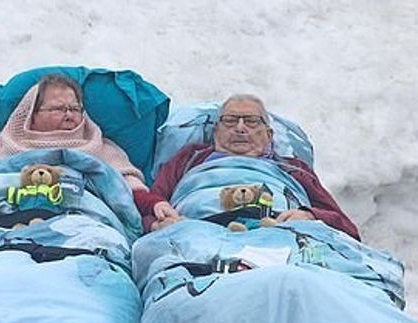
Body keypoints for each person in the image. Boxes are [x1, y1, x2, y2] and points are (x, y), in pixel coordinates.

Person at [136, 94, 359, 239]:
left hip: (279, 230)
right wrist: (160, 225)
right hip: (197, 232)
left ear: (269, 135)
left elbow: (344, 225)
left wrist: (308, 216)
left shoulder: (293, 169)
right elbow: (152, 206)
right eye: (230, 121)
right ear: (216, 131)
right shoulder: (189, 160)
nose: (240, 128)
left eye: (252, 121)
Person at [0, 74, 173, 217]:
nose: (69, 114)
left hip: (83, 224)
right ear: (32, 114)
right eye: (58, 108)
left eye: (75, 108)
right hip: (4, 224)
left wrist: (154, 204)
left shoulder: (100, 147)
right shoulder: (7, 148)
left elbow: (129, 187)